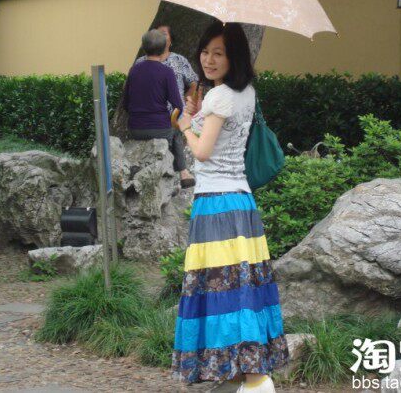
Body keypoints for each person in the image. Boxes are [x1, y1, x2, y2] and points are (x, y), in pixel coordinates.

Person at [171, 20, 289, 393]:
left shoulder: (220, 97)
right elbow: (220, 136)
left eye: (218, 53)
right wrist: (197, 112)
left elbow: (203, 151)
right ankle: (246, 373)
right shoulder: (245, 92)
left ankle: (255, 380)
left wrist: (184, 124)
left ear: (233, 56)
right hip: (241, 203)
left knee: (221, 292)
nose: (208, 59)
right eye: (205, 51)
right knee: (243, 290)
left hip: (215, 205)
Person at [122, 29, 195, 188]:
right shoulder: (166, 72)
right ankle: (183, 173)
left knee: (172, 129)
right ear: (163, 49)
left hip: (135, 129)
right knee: (176, 131)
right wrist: (172, 122)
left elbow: (125, 103)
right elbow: (177, 105)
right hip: (159, 129)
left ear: (144, 48)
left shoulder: (134, 70)